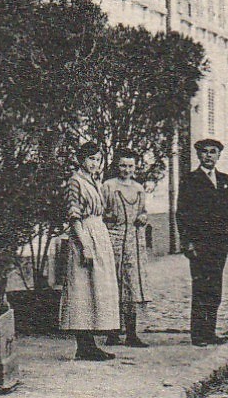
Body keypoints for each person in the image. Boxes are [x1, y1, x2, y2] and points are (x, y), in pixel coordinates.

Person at [177, 138, 228, 346]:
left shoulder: (224, 180)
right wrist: (187, 242)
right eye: (204, 152)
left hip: (220, 242)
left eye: (213, 152)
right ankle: (198, 334)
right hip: (199, 243)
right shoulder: (190, 180)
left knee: (215, 288)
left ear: (218, 155)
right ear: (198, 155)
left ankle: (210, 331)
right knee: (201, 287)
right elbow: (182, 214)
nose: (208, 156)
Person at [59, 143, 120, 360]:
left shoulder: (94, 181)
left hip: (98, 232)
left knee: (96, 289)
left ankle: (89, 344)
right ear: (80, 159)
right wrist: (84, 244)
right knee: (82, 290)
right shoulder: (75, 182)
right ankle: (83, 345)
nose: (94, 163)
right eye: (90, 159)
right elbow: (74, 216)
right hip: (84, 235)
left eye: (98, 159)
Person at [101, 150, 150, 347]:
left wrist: (143, 217)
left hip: (134, 242)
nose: (127, 170)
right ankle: (112, 332)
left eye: (130, 166)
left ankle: (131, 333)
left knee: (132, 285)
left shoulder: (139, 188)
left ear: (135, 167)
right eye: (123, 165)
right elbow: (100, 211)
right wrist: (108, 219)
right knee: (113, 283)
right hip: (113, 239)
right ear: (116, 166)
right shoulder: (108, 186)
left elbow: (144, 211)